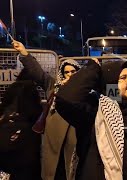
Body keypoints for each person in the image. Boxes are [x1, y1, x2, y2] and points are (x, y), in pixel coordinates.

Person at [55, 59, 127, 180]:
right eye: (123, 78)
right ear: (111, 85)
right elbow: (65, 99)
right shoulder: (95, 112)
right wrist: (93, 68)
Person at [12, 40, 81, 180]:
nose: (70, 75)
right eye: (66, 72)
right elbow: (38, 73)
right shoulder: (53, 86)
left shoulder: (85, 91)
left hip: (74, 145)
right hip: (54, 143)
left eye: (73, 71)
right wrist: (24, 53)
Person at [0, 69, 42, 180]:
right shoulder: (30, 89)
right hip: (26, 133)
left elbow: (4, 105)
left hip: (8, 130)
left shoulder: (13, 87)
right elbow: (34, 110)